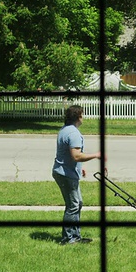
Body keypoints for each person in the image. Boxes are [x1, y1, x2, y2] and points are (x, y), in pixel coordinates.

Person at [52, 105, 102, 245]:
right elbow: (76, 156)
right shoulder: (73, 133)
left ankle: (75, 236)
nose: (83, 117)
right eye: (82, 115)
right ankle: (69, 238)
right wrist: (96, 155)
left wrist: (81, 168)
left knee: (77, 203)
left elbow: (71, 155)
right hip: (65, 174)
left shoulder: (65, 130)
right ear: (78, 116)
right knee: (73, 205)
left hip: (66, 172)